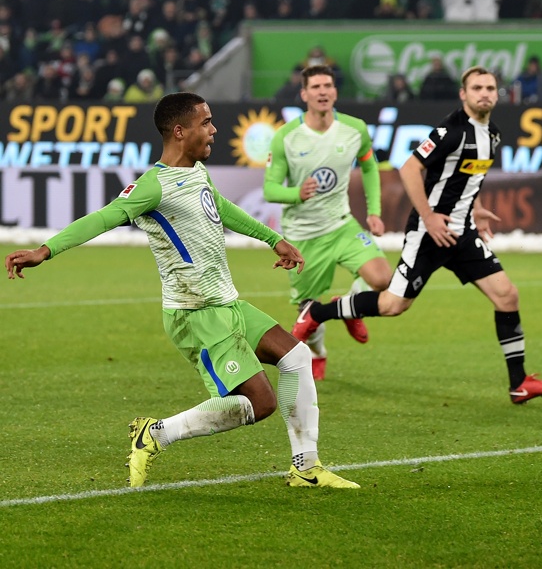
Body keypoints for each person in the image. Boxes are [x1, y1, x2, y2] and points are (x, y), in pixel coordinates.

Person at [4, 92, 359, 490]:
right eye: (206, 122)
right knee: (261, 404)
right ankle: (154, 434)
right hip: (195, 314)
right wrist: (44, 251)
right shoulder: (152, 187)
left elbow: (221, 208)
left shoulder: (196, 173)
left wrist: (272, 238)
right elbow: (102, 218)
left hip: (227, 303)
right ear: (179, 131)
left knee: (296, 356)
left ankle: (306, 467)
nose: (214, 129)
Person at [291, 66, 542, 405]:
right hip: (429, 234)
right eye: (477, 87)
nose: (485, 93)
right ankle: (318, 313)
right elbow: (409, 168)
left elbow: (464, 180)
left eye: (490, 87)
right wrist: (430, 218)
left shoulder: (492, 134)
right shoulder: (451, 130)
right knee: (392, 305)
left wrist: (474, 210)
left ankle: (519, 382)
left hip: (461, 235)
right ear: (463, 94)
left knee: (507, 296)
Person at [264, 65, 392, 381]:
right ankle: (319, 354)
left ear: (335, 91)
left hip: (342, 225)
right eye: (316, 86)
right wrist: (297, 193)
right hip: (302, 235)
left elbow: (370, 168)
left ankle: (347, 305)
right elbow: (270, 188)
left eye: (328, 85)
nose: (323, 91)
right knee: (308, 310)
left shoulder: (355, 129)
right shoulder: (286, 137)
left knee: (382, 279)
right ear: (304, 94)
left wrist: (373, 211)